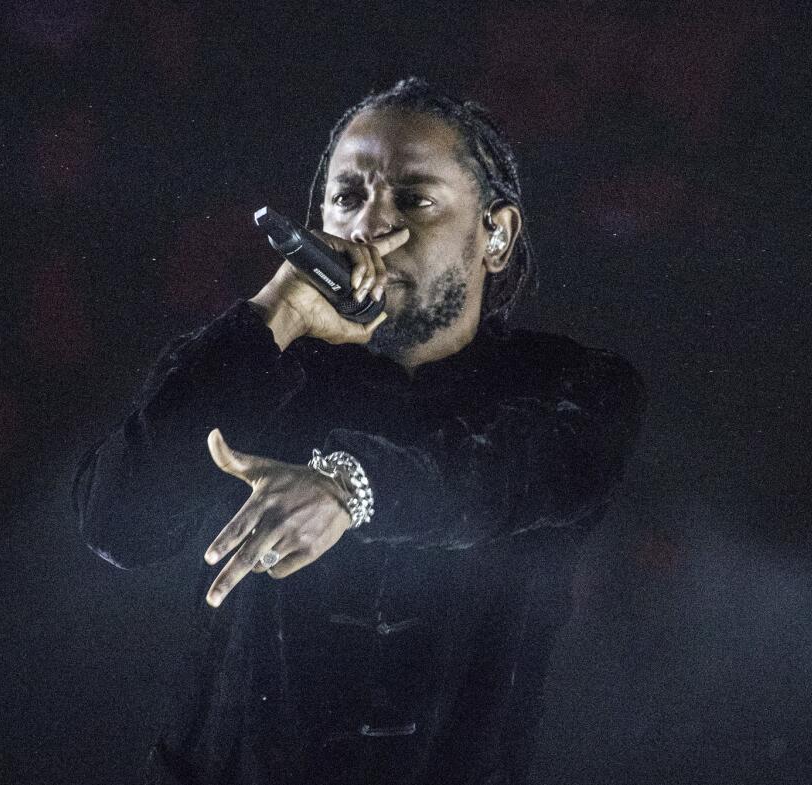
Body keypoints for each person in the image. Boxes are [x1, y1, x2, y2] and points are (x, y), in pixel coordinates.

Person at [72, 77, 646, 785]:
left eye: (413, 199)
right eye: (348, 197)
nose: (372, 224)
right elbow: (118, 523)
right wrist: (274, 312)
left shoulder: (572, 386)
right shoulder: (253, 362)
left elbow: (516, 472)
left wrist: (352, 486)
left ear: (495, 234)